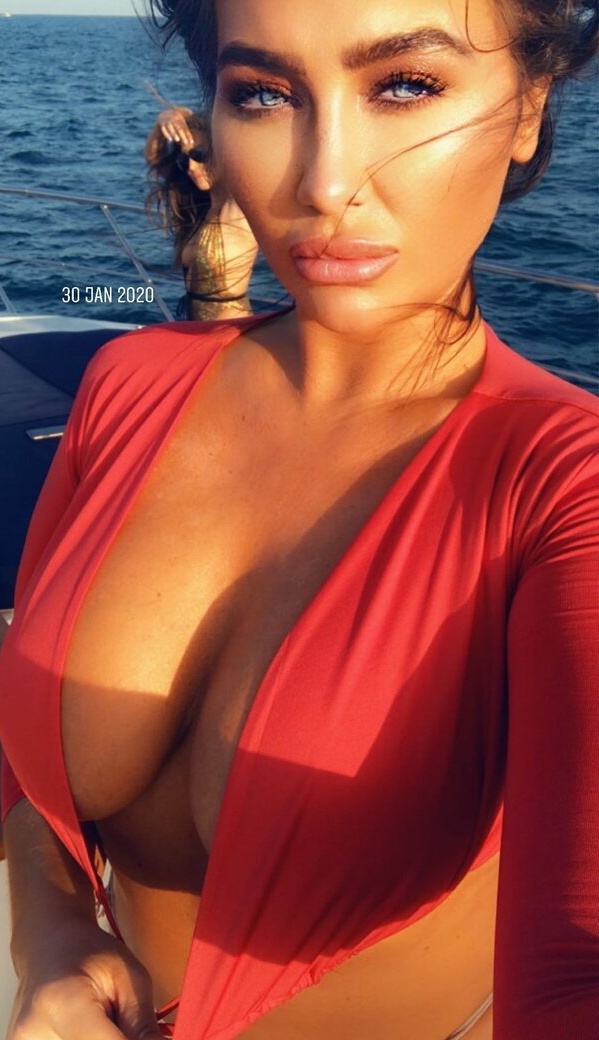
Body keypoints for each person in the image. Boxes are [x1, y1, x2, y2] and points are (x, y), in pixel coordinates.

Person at [0, 1, 598, 1039]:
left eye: (404, 85)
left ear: (526, 109)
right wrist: (49, 930)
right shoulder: (127, 385)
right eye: (263, 95)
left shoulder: (563, 487)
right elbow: (25, 746)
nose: (323, 182)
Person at [145, 105, 258, 319]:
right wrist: (165, 120)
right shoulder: (203, 208)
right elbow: (154, 157)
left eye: (200, 156)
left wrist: (185, 114)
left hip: (230, 330)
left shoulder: (239, 205)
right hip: (194, 325)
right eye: (185, 158)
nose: (191, 167)